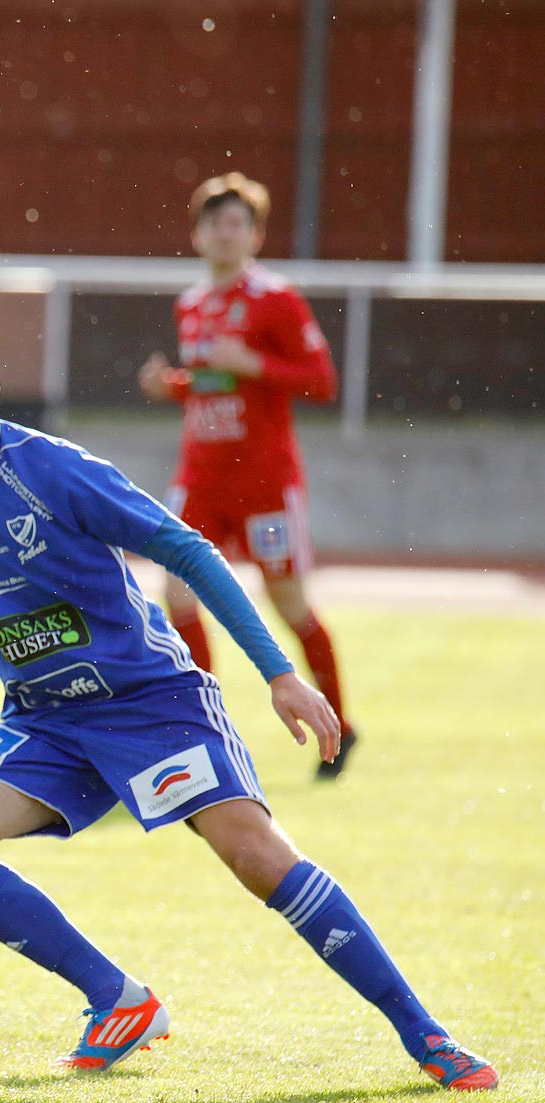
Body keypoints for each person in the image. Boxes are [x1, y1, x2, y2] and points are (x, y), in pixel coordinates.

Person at [0, 307, 497, 1091]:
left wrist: (277, 673)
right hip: (47, 721)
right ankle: (117, 1001)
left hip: (151, 703)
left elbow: (185, 548)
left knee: (255, 855)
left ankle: (423, 1032)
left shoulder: (51, 469)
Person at [138, 173, 356, 779]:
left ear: (255, 234)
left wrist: (255, 361)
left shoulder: (276, 299)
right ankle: (207, 729)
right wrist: (174, 386)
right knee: (175, 594)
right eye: (211, 223)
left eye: (235, 223)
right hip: (201, 478)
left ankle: (339, 722)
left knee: (288, 605)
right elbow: (214, 384)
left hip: (262, 483)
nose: (222, 233)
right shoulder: (190, 303)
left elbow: (321, 381)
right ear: (196, 235)